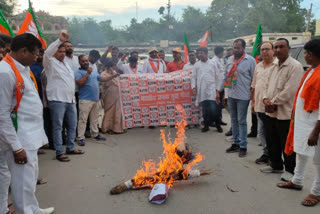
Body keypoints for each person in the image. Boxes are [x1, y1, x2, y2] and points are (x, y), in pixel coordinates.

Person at [0, 33, 54, 214]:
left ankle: (33, 209)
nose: (37, 57)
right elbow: (2, 115)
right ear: (24, 51)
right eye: (36, 53)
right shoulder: (5, 72)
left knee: (29, 179)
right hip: (19, 137)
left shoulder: (22, 68)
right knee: (22, 183)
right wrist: (16, 147)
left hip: (30, 135)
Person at [276, 39, 320, 207]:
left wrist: (315, 131)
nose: (306, 56)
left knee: (318, 160)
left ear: (316, 54)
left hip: (315, 126)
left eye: (308, 53)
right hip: (303, 123)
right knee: (300, 153)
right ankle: (297, 180)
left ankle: (316, 192)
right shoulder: (311, 71)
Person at [260, 38, 304, 181]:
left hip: (285, 112)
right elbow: (266, 85)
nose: (278, 49)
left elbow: (290, 90)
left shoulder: (295, 66)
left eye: (281, 46)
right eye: (276, 47)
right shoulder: (273, 66)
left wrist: (273, 102)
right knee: (271, 140)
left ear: (288, 48)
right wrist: (266, 99)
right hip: (270, 110)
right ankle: (276, 165)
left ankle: (290, 171)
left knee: (287, 142)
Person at [44, 31, 85, 162]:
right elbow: (46, 53)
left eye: (63, 52)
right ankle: (59, 151)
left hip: (70, 99)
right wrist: (59, 40)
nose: (62, 53)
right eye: (59, 51)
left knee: (73, 125)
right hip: (57, 100)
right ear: (55, 52)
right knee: (58, 127)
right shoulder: (49, 63)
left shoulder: (66, 63)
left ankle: (70, 148)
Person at [224, 39, 256, 157]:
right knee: (234, 120)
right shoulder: (229, 60)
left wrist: (253, 96)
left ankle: (243, 146)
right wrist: (225, 94)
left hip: (243, 96)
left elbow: (254, 79)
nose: (235, 50)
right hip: (232, 95)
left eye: (238, 48)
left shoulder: (250, 61)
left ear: (243, 48)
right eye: (234, 47)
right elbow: (226, 77)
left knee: (242, 121)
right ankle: (236, 143)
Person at [251, 42, 278, 164]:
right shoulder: (258, 66)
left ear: (273, 51)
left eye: (267, 49)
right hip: (259, 106)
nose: (264, 52)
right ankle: (267, 153)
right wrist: (253, 102)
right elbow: (254, 86)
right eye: (262, 50)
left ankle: (274, 157)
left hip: (271, 106)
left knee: (271, 133)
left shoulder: (277, 66)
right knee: (261, 132)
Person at [75, 55, 106, 146]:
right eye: (83, 61)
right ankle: (80, 137)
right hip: (85, 99)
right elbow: (80, 83)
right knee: (83, 119)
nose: (85, 62)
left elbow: (102, 79)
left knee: (94, 119)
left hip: (95, 99)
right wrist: (87, 74)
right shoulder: (78, 72)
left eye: (86, 61)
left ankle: (95, 134)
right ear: (79, 62)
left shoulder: (94, 71)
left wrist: (113, 76)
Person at [191, 47, 223, 133]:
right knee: (204, 110)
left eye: (202, 53)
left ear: (206, 53)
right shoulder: (196, 65)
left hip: (212, 90)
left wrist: (217, 90)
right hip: (202, 91)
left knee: (214, 110)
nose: (200, 55)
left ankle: (218, 125)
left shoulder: (213, 63)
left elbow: (218, 77)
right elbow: (193, 77)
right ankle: (206, 126)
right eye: (199, 53)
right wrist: (193, 87)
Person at [100, 61, 125, 134]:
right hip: (109, 95)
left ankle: (116, 128)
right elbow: (105, 84)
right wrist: (112, 76)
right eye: (113, 66)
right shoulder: (103, 74)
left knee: (117, 111)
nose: (114, 68)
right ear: (108, 67)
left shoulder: (115, 73)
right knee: (109, 111)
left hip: (117, 95)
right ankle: (106, 128)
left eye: (114, 66)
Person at [212, 46, 227, 127]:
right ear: (220, 52)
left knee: (220, 105)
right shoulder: (214, 61)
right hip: (216, 87)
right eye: (222, 52)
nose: (223, 54)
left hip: (221, 86)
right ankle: (216, 121)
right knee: (216, 105)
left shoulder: (220, 60)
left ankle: (219, 119)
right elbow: (216, 75)